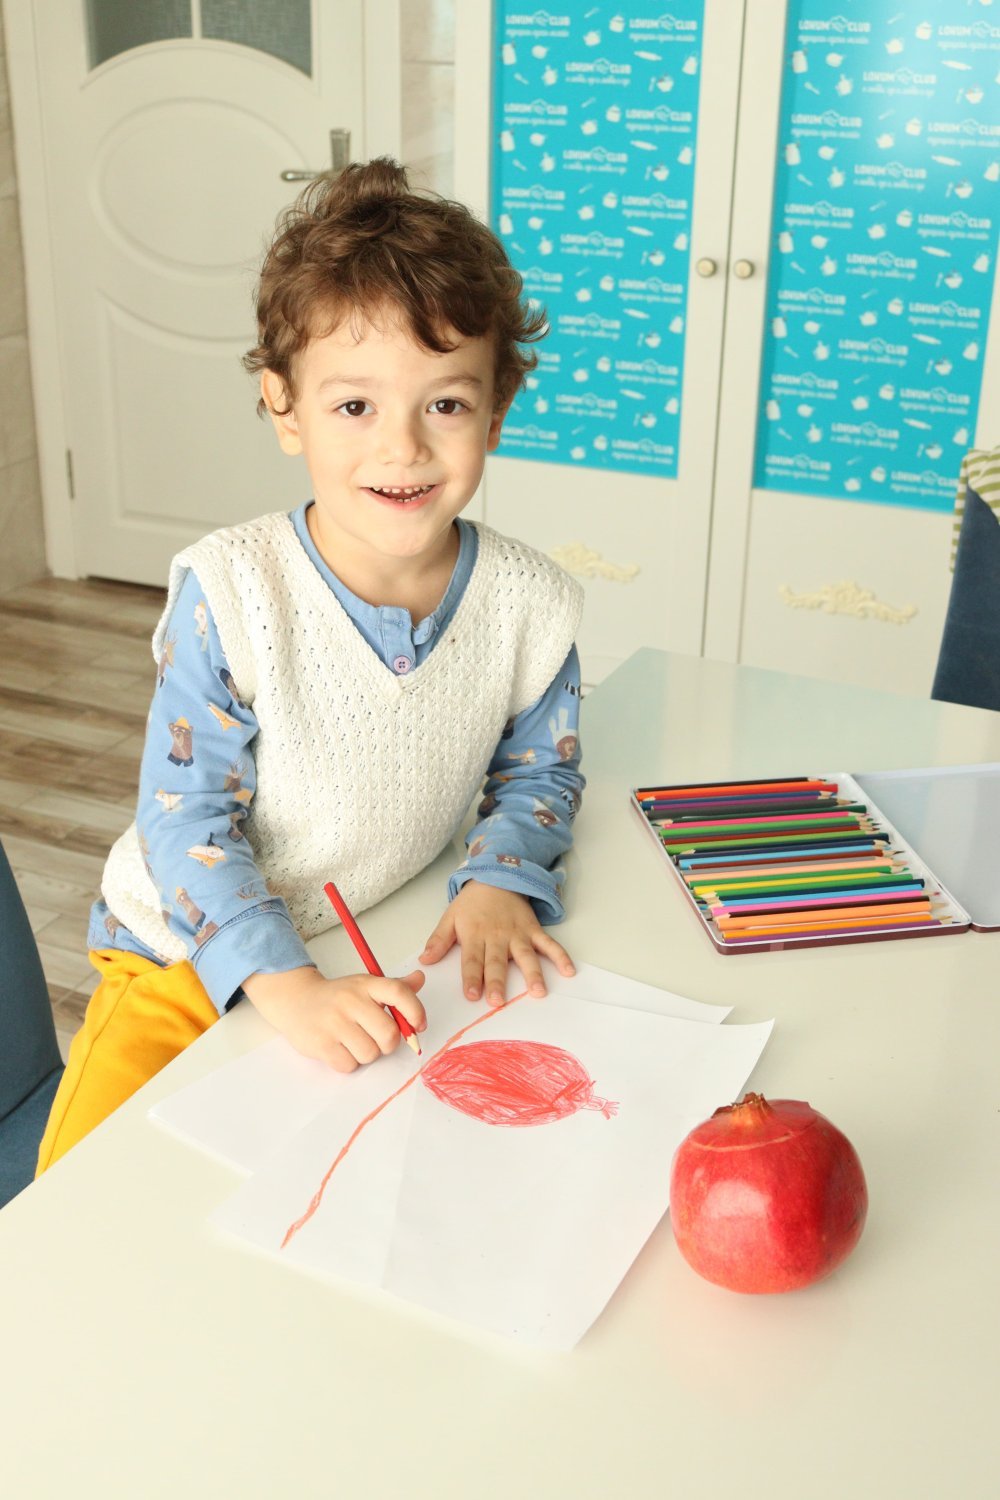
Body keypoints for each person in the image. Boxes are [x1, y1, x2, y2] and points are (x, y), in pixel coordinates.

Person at [37, 158, 585, 1171]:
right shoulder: (234, 591)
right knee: (77, 1189)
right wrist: (282, 987)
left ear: (497, 408)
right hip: (181, 952)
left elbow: (539, 768)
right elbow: (184, 821)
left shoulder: (532, 601)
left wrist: (501, 878)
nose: (404, 448)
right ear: (283, 406)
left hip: (369, 927)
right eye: (353, 408)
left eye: (446, 405)